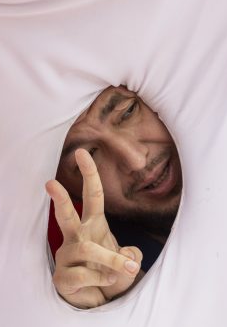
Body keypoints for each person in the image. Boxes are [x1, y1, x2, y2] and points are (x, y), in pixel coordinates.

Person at [46, 85, 182, 309]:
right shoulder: (110, 268)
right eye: (90, 154)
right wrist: (114, 304)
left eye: (128, 112)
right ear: (70, 190)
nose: (136, 161)